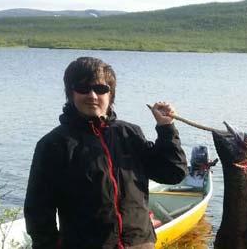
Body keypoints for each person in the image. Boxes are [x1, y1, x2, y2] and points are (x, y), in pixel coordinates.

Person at [25, 57, 187, 249]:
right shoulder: (54, 144)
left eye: (100, 89)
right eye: (83, 88)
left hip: (139, 243)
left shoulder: (130, 134)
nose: (92, 95)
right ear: (70, 93)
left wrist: (166, 129)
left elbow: (173, 173)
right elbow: (38, 211)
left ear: (111, 95)